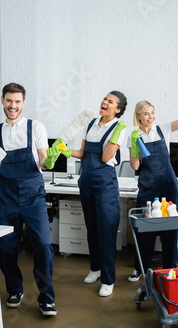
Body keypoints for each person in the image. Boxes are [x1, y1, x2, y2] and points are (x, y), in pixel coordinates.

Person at [0, 82, 60, 316]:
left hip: (33, 195)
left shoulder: (35, 127)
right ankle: (14, 289)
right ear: (2, 100)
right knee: (4, 247)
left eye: (17, 101)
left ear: (23, 103)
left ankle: (46, 298)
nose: (13, 106)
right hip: (8, 194)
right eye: (9, 101)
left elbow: (42, 160)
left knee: (42, 244)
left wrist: (50, 160)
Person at [126, 81, 178, 282]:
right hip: (147, 187)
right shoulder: (133, 136)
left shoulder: (163, 129)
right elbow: (136, 167)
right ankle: (140, 268)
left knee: (169, 231)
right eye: (146, 113)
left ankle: (170, 271)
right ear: (138, 116)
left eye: (153, 112)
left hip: (169, 187)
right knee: (145, 231)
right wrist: (137, 145)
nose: (151, 117)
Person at [63, 91, 127, 297]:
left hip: (105, 182)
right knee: (91, 227)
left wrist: (116, 136)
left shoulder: (119, 128)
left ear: (117, 109)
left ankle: (108, 279)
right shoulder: (91, 124)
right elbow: (82, 153)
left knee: (106, 231)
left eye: (110, 102)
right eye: (104, 99)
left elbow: (106, 155)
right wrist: (65, 150)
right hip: (87, 180)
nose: (105, 102)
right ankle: (95, 269)